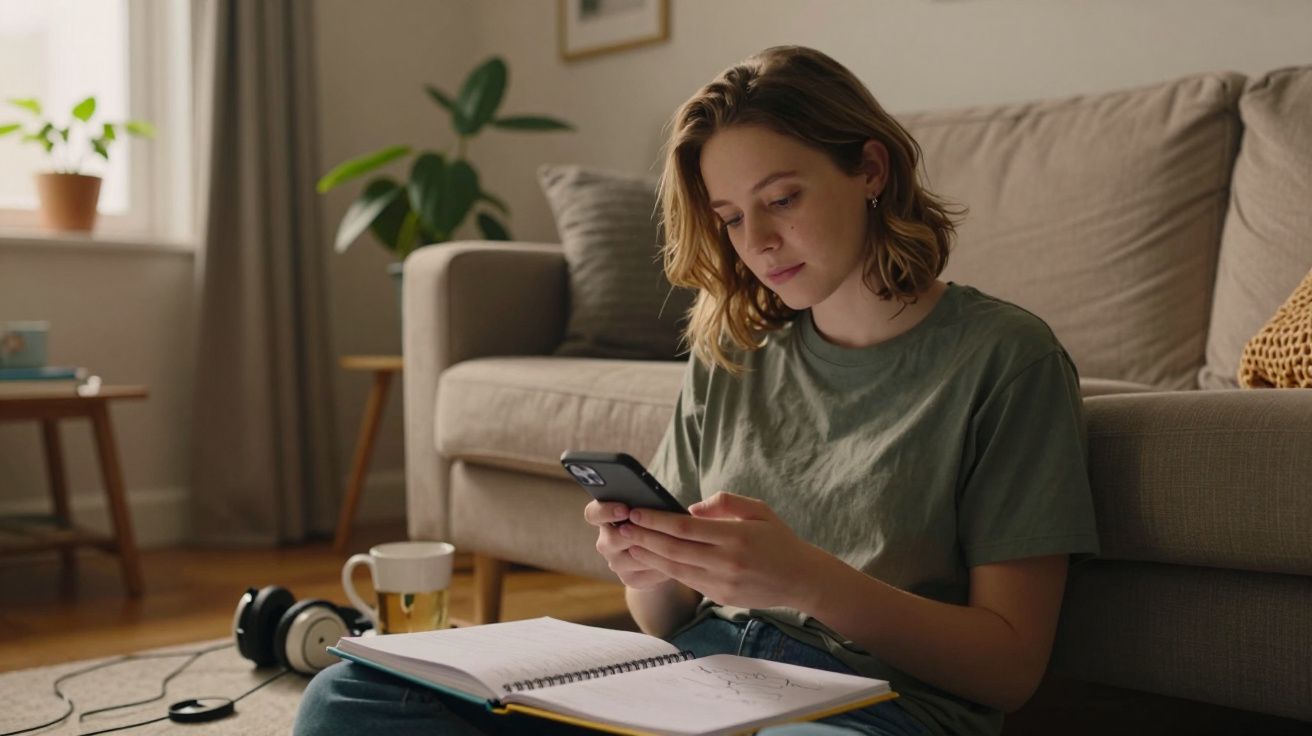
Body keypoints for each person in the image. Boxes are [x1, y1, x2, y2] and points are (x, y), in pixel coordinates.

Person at [294, 45, 1099, 736]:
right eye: (731, 217)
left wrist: (809, 582)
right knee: (348, 698)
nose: (760, 242)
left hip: (869, 709)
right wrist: (645, 566)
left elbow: (1009, 668)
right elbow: (666, 619)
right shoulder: (734, 352)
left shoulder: (1006, 360)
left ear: (870, 169)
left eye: (782, 198)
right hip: (689, 679)